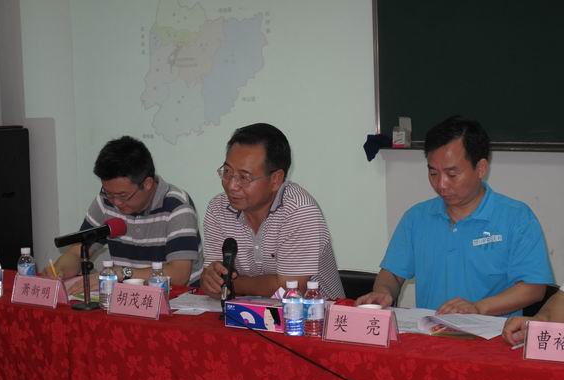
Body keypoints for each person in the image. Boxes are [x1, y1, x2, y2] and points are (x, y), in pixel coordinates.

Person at [356, 116, 554, 316]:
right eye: (433, 173)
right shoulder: (416, 218)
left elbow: (534, 288)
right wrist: (383, 292)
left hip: (493, 333)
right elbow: (392, 274)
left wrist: (479, 307)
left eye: (452, 174)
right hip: (429, 331)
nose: (441, 184)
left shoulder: (516, 218)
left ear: (481, 168)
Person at [200, 123, 344, 299]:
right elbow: (213, 283)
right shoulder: (218, 209)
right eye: (227, 172)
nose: (231, 185)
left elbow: (290, 289)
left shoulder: (299, 210)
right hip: (246, 312)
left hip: (315, 314)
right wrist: (210, 280)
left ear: (276, 179)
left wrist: (231, 283)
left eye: (244, 177)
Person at [46, 136, 203, 290]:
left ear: (147, 184)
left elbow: (179, 274)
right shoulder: (105, 201)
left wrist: (122, 273)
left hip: (176, 299)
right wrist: (60, 270)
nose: (116, 203)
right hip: (126, 298)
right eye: (109, 193)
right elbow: (78, 252)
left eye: (123, 196)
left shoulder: (177, 206)